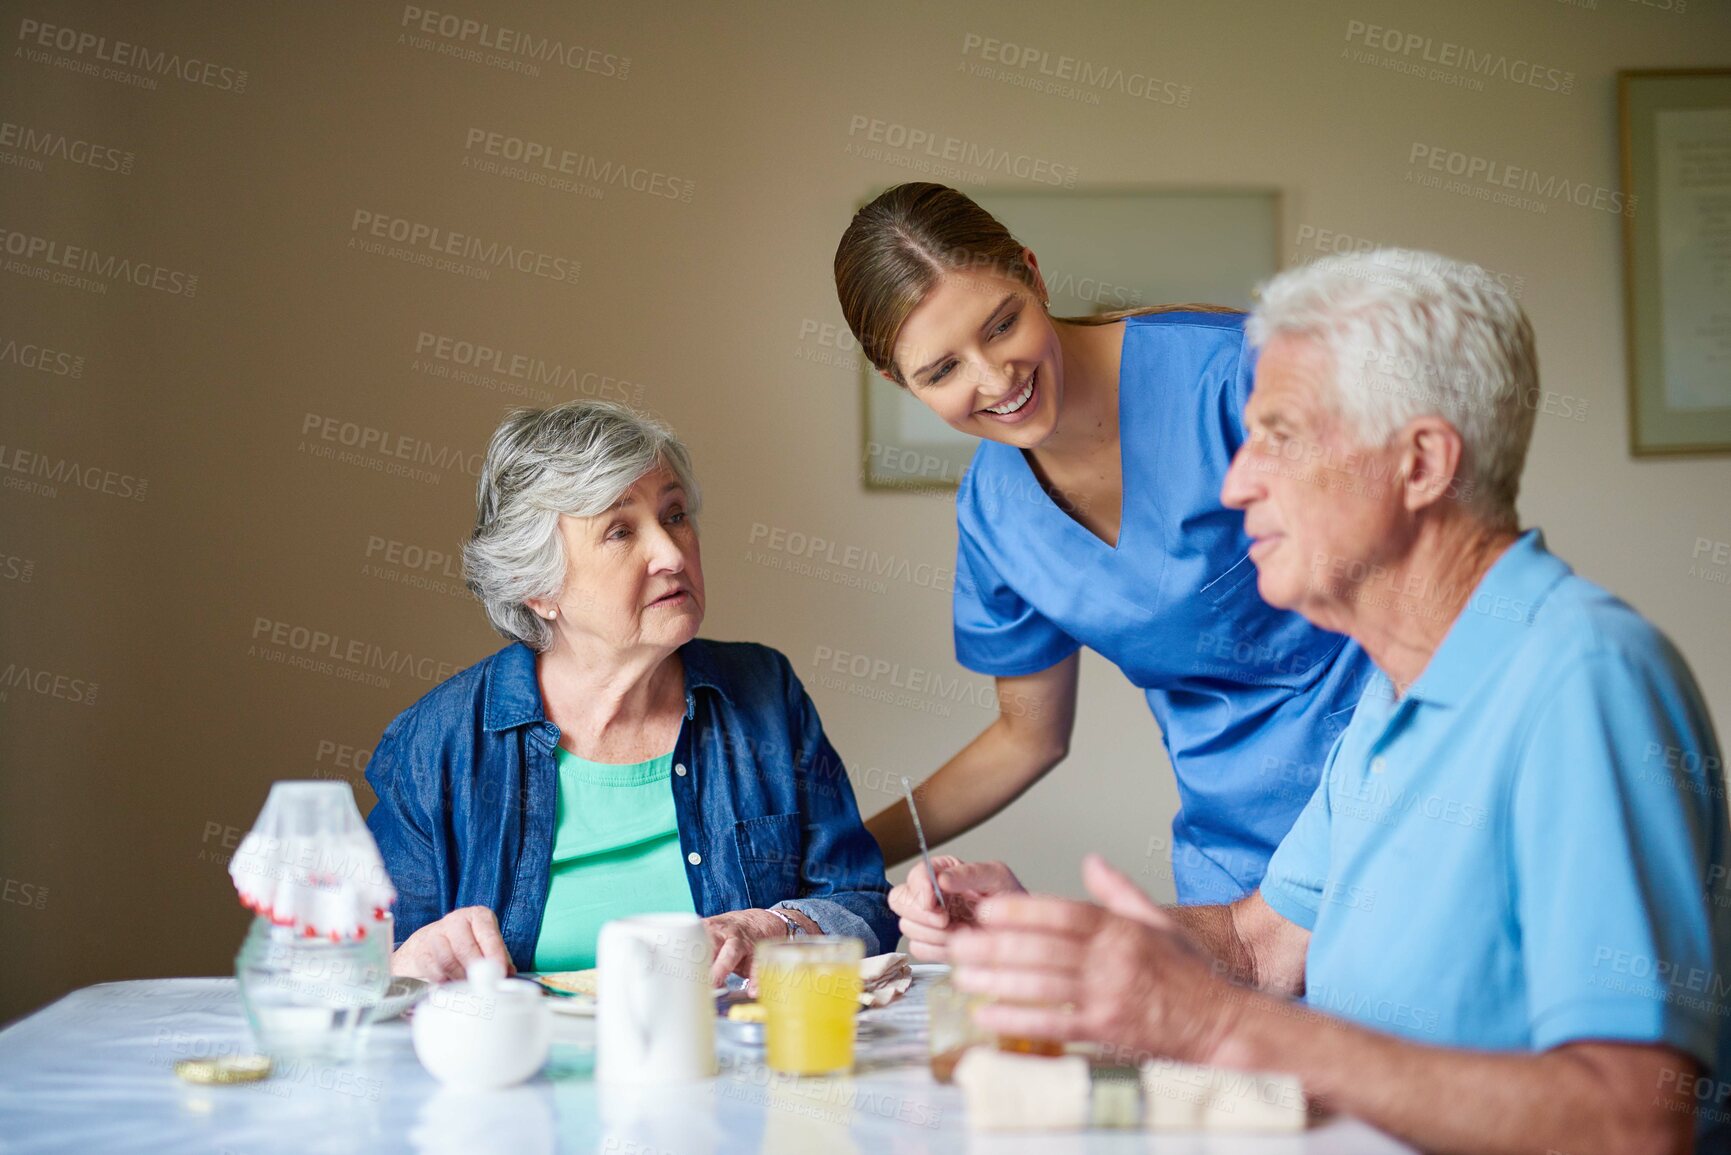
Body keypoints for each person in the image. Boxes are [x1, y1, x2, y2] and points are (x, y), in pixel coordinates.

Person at [913, 248, 1730, 1154]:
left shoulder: (1582, 679)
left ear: (1420, 463)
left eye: (1280, 437)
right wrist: (1055, 939)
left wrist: (1223, 1029)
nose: (1233, 482)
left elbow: (1630, 1120)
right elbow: (1259, 943)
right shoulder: (1393, 691)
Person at [834, 183, 1375, 903]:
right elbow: (1026, 736)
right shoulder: (995, 513)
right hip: (1237, 867)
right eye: (941, 370)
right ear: (897, 381)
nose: (996, 379)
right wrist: (839, 856)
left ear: (1032, 273)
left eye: (1001, 325)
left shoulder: (1238, 378)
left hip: (1399, 808)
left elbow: (1433, 591)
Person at [365, 401, 896, 986]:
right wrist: (403, 965)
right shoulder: (439, 742)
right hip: (529, 1067)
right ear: (538, 588)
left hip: (728, 1061)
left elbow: (865, 903)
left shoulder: (765, 694)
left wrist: (774, 927)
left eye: (674, 515)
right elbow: (363, 974)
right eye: (620, 531)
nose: (671, 554)